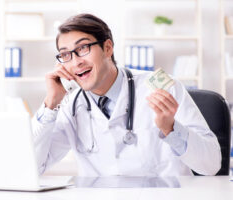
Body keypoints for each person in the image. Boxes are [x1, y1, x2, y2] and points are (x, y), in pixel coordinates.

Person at [31, 13, 221, 176]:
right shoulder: (69, 105)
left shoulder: (162, 86)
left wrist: (170, 129)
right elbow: (33, 167)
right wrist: (50, 103)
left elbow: (211, 165)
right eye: (65, 54)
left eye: (83, 48)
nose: (75, 62)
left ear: (107, 48)